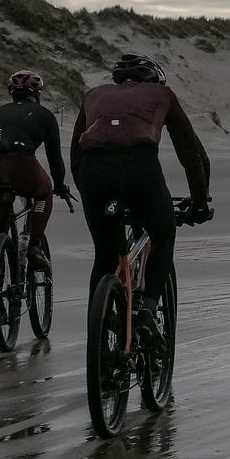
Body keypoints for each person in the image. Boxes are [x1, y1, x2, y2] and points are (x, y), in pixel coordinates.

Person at [70, 54, 211, 347]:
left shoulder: (94, 94)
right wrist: (199, 201)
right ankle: (147, 310)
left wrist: (89, 195)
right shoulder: (162, 94)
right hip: (139, 168)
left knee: (105, 254)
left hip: (93, 172)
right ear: (154, 79)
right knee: (163, 232)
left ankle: (100, 331)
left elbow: (75, 153)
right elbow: (190, 151)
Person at [0, 69, 71, 269]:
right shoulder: (45, 115)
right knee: (44, 192)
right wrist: (60, 185)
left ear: (12, 92)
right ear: (37, 93)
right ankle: (35, 244)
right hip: (21, 163)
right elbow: (55, 158)